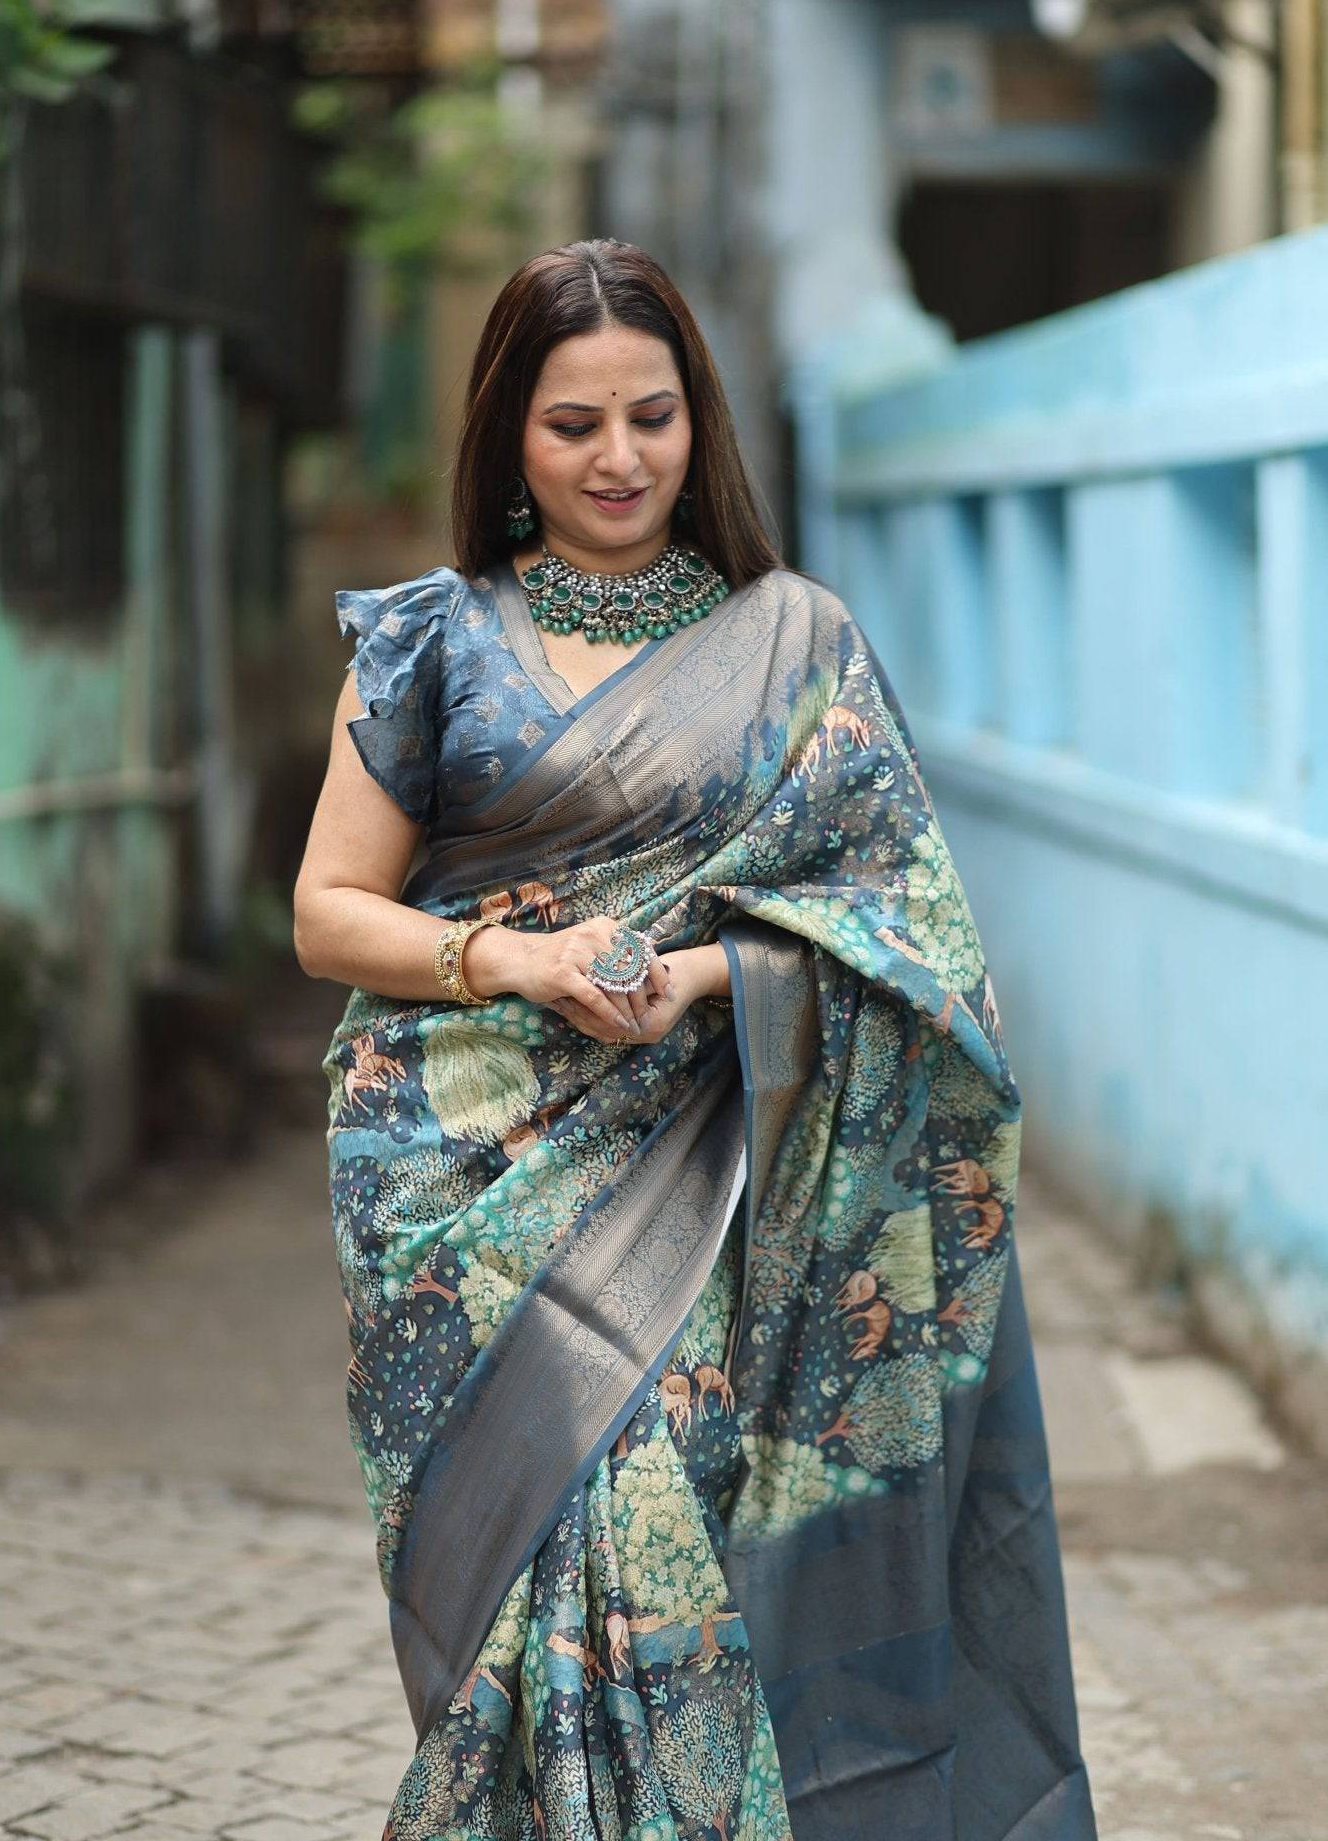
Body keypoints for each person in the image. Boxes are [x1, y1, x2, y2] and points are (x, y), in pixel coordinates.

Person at [293, 237, 1097, 1841]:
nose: (616, 459)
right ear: (507, 439)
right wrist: (517, 966)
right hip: (464, 1198)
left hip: (721, 1188)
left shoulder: (796, 648)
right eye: (571, 425)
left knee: (664, 1555)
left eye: (649, 418)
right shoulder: (434, 642)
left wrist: (706, 979)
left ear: (697, 421)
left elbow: (912, 930)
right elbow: (327, 914)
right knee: (520, 1605)